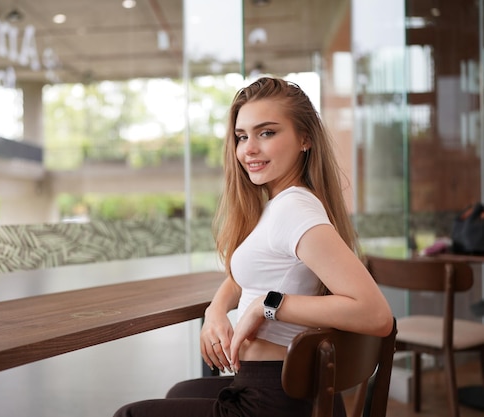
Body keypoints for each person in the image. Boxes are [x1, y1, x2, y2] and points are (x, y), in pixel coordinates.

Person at [113, 76, 394, 417]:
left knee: (129, 415)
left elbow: (376, 315)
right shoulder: (277, 206)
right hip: (273, 383)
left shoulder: (294, 209)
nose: (248, 149)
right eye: (242, 136)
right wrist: (215, 311)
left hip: (276, 399)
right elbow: (245, 275)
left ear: (305, 138)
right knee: (179, 392)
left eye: (267, 133)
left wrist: (267, 305)